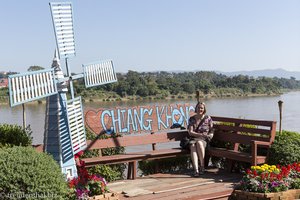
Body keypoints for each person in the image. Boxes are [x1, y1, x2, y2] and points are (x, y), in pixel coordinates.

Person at [188, 102, 213, 176]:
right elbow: (190, 132)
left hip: (204, 140)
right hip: (194, 138)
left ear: (204, 109)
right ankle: (196, 170)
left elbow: (212, 130)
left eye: (201, 108)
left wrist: (211, 134)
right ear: (196, 108)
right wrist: (200, 134)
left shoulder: (208, 118)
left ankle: (202, 166)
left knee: (199, 143)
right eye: (198, 107)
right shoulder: (192, 119)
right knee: (192, 145)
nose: (200, 109)